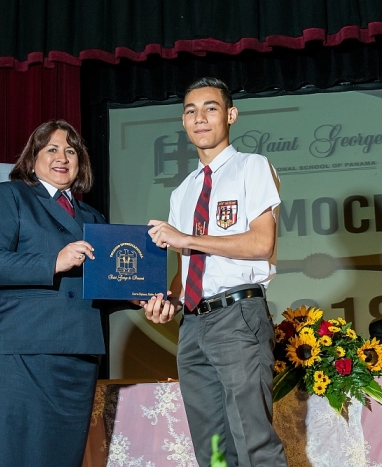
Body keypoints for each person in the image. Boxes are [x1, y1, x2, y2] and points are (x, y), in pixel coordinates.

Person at [142, 77, 287, 467]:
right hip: (192, 324)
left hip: (237, 316)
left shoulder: (251, 167)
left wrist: (186, 237)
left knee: (254, 443)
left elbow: (261, 243)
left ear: (231, 115)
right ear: (183, 122)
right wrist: (169, 301)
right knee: (213, 451)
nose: (200, 118)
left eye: (211, 108)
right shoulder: (183, 191)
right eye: (191, 111)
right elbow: (187, 267)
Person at [0, 120, 106, 466]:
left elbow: (100, 286)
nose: (63, 158)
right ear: (32, 160)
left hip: (77, 358)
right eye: (52, 149)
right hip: (19, 354)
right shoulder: (11, 195)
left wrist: (138, 298)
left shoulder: (94, 218)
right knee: (5, 457)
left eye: (71, 151)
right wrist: (53, 261)